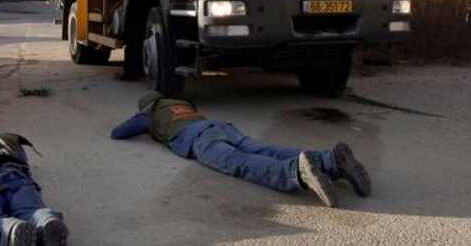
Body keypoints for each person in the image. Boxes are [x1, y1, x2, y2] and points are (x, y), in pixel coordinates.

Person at [111, 92, 371, 208]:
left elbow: (118, 133)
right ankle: (332, 160)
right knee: (264, 149)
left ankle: (297, 174)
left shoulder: (150, 112)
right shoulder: (180, 104)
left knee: (241, 163)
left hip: (199, 139)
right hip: (222, 127)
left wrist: (144, 119)